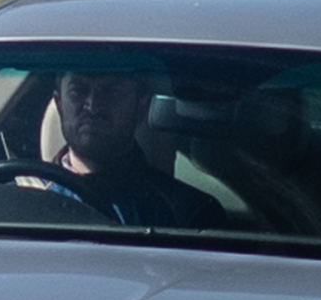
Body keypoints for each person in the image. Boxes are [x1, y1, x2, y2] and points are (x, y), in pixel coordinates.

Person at [48, 68, 226, 228]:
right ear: (59, 104)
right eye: (77, 91)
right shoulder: (25, 195)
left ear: (141, 106)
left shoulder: (188, 215)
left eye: (111, 92)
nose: (93, 106)